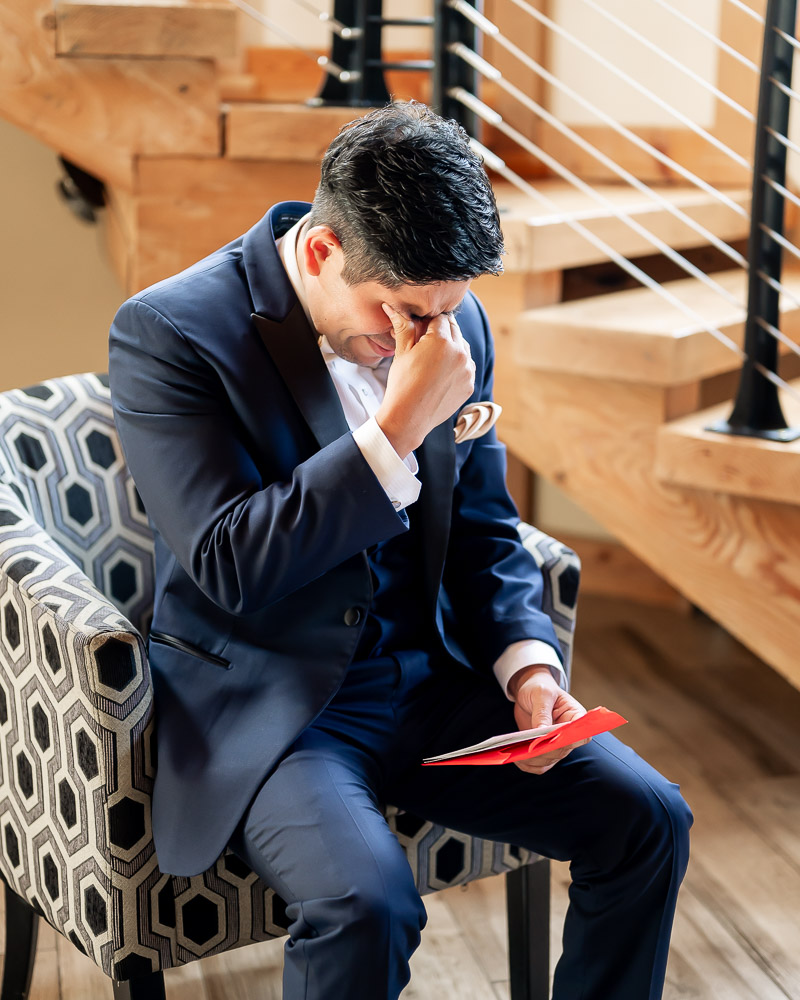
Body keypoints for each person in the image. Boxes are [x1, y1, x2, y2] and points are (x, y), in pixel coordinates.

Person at [108, 100, 692, 1000]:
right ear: (320, 251)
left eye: (444, 312)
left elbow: (486, 531)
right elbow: (230, 565)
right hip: (278, 702)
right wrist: (396, 427)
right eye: (398, 314)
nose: (423, 341)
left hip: (433, 682)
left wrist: (528, 671)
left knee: (650, 817)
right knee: (367, 904)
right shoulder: (172, 333)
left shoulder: (450, 321)